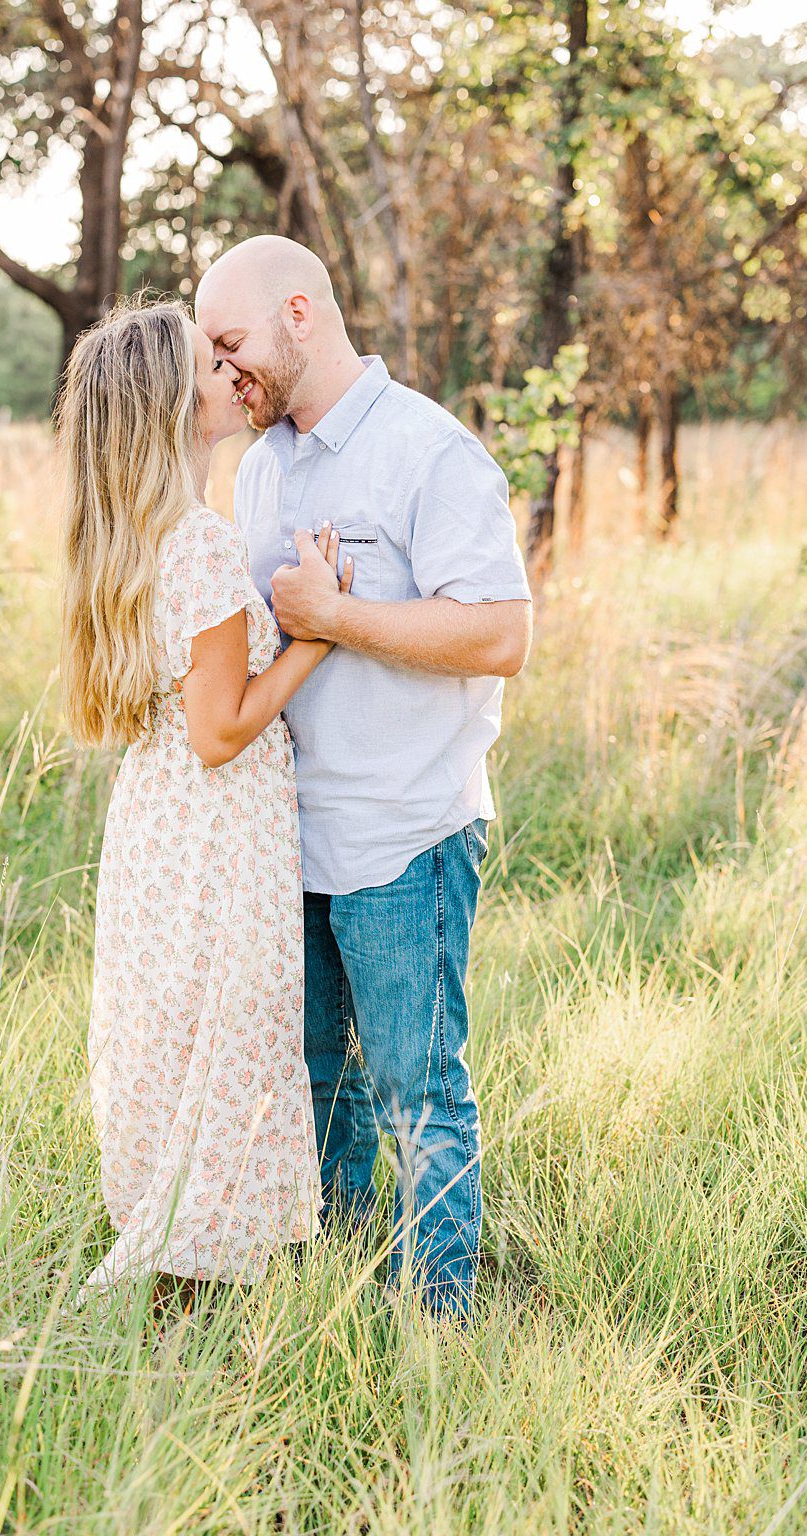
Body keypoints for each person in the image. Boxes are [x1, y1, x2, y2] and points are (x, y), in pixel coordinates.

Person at [195, 235, 533, 1319]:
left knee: (415, 1093)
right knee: (315, 1089)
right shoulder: (255, 468)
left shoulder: (427, 454)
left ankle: (434, 1324)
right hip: (287, 840)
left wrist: (338, 615)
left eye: (230, 342)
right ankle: (333, 1303)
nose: (221, 368)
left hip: (402, 833)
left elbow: (500, 634)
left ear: (299, 313)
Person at [60, 298, 344, 1298]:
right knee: (225, 1041)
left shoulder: (127, 534)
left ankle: (181, 1271)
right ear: (172, 405)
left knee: (174, 1045)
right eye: (208, 367)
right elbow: (221, 732)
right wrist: (316, 629)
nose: (232, 375)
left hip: (154, 829)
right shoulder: (198, 542)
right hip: (215, 835)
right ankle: (204, 1293)